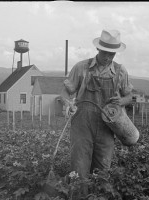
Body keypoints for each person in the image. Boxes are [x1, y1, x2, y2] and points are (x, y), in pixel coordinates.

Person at [60, 29, 133, 195]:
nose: (108, 57)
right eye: (105, 53)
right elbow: (64, 93)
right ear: (98, 49)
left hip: (107, 127)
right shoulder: (81, 68)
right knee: (79, 168)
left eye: (112, 54)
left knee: (102, 170)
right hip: (82, 125)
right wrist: (68, 103)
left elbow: (129, 96)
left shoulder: (121, 71)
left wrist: (121, 101)